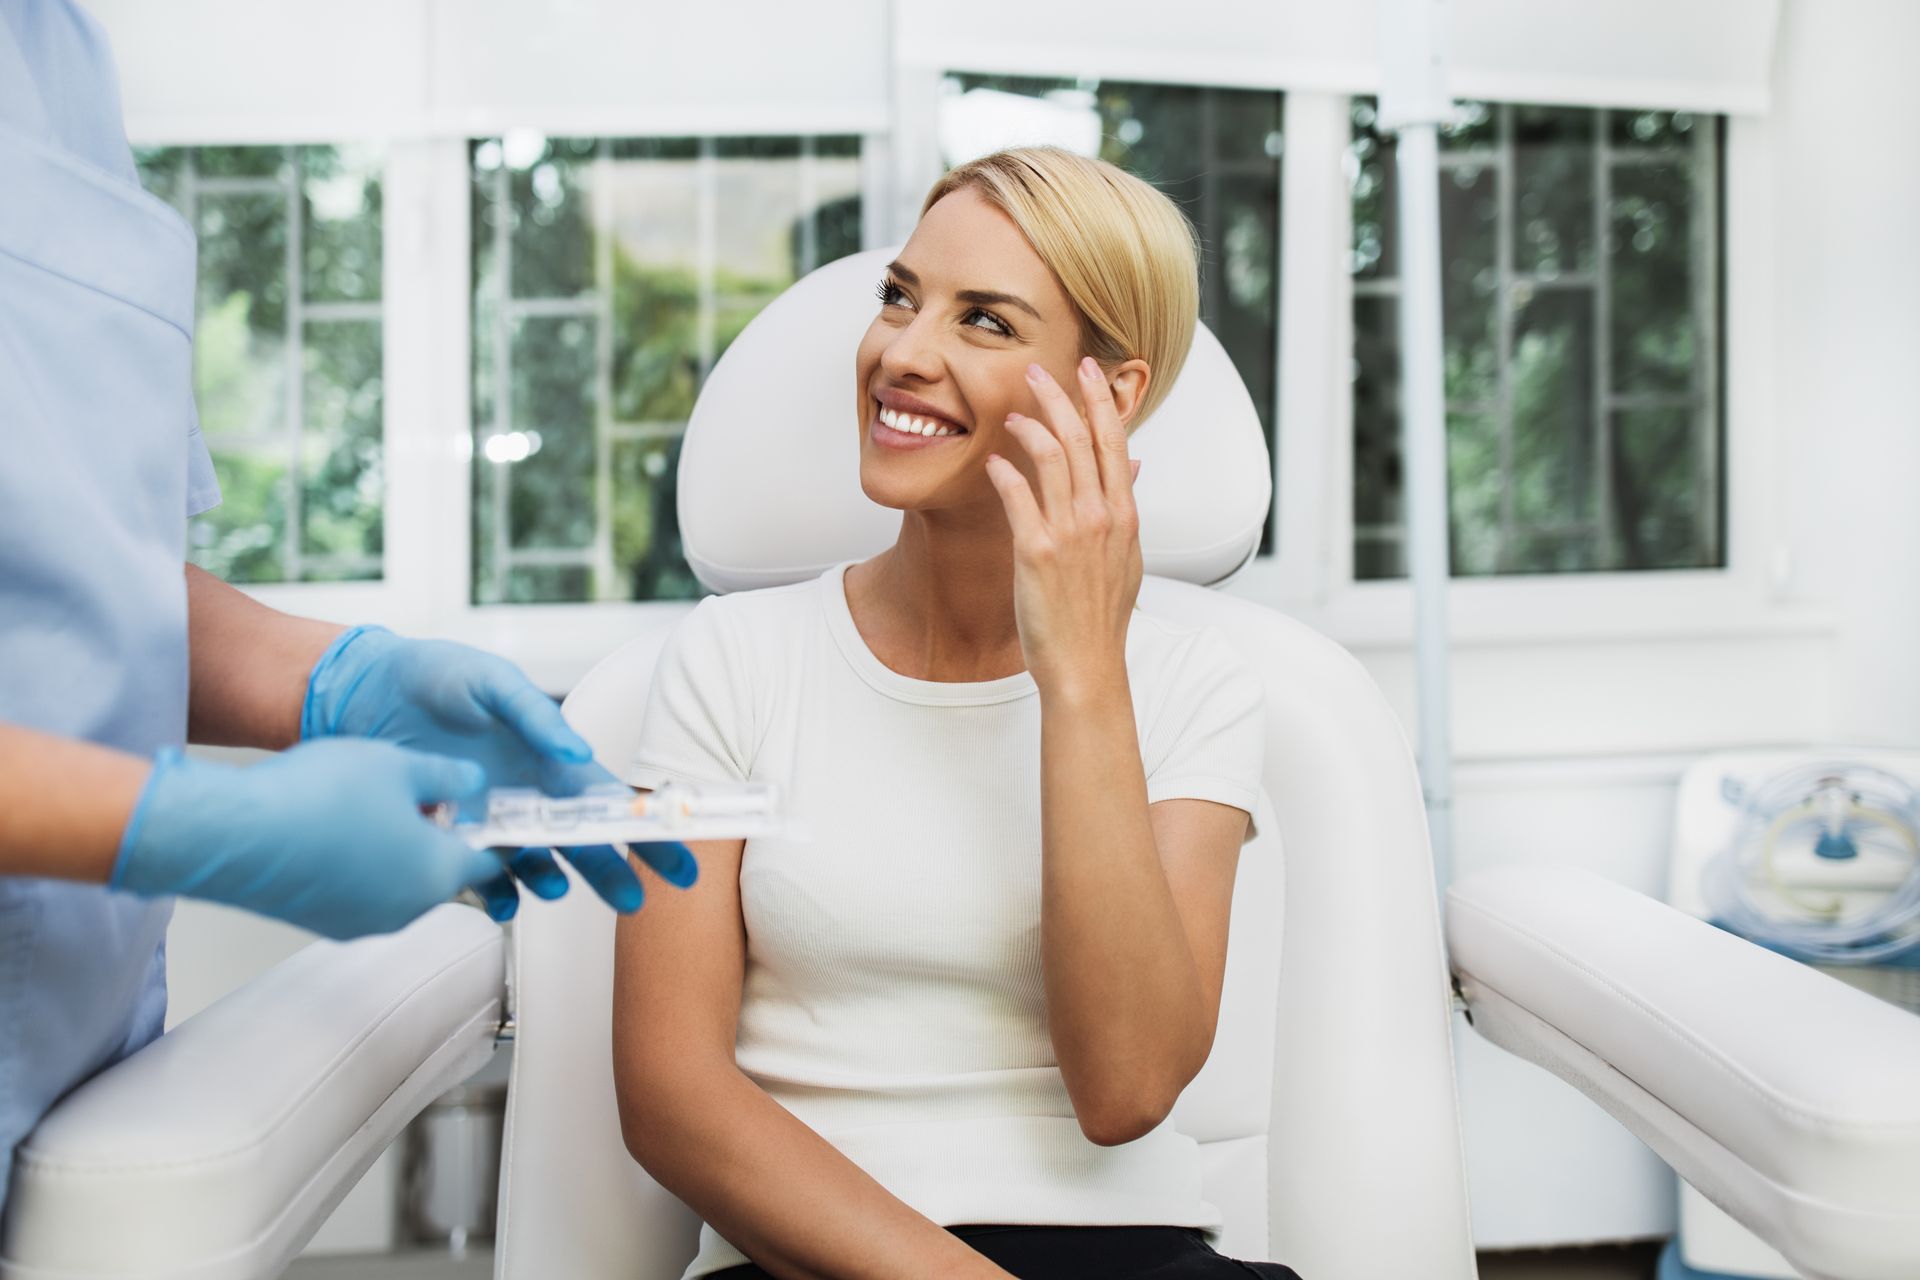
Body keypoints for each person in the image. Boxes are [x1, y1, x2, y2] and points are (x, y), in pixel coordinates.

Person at [0, 0, 694, 1211]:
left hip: (57, 1090)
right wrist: (182, 821)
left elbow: (81, 589)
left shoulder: (59, 56)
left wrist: (336, 681)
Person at [608, 147, 1301, 1279]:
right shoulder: (730, 660)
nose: (903, 354)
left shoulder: (1192, 687)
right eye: (900, 297)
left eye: (985, 321)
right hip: (812, 1259)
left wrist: (1080, 672)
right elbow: (669, 1094)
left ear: (1108, 393)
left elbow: (1126, 1086)